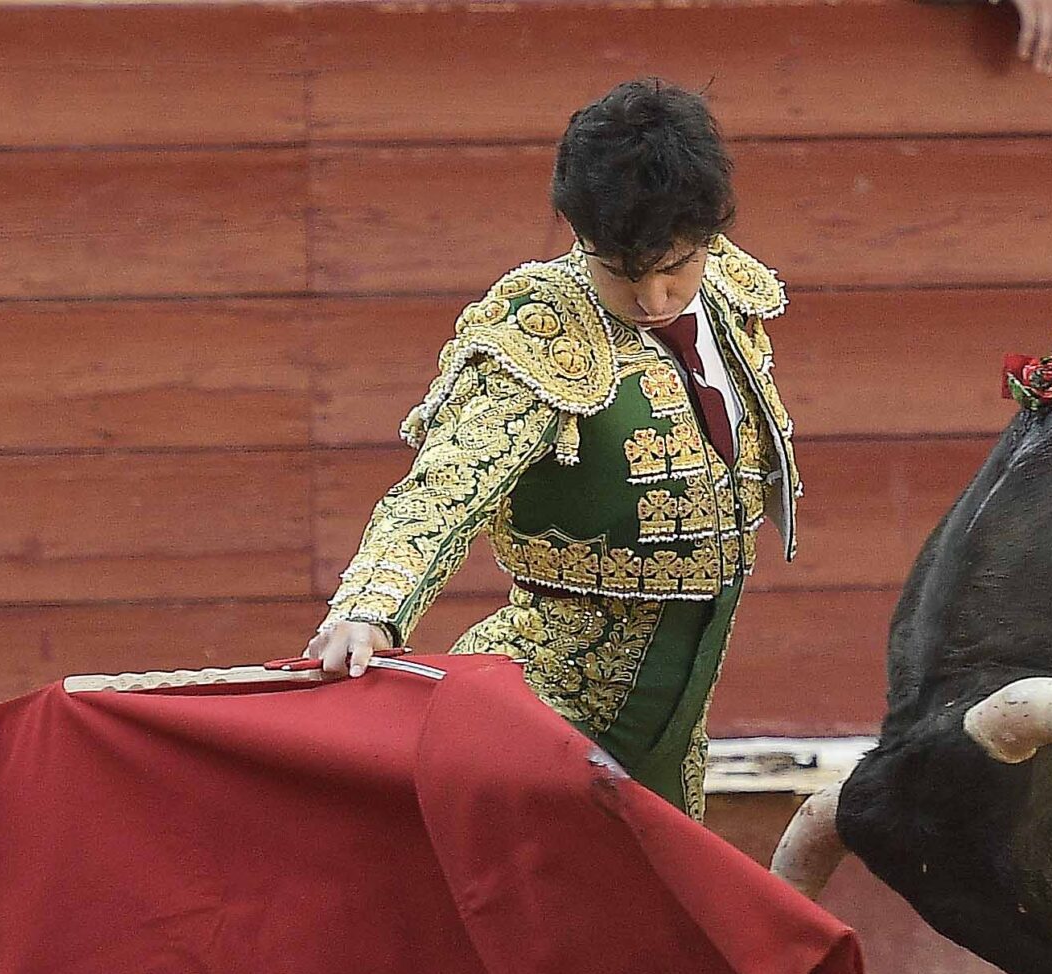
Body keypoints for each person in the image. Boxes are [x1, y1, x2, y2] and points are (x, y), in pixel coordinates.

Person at [307, 79, 798, 820]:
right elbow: (445, 487)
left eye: (675, 269)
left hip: (671, 741)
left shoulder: (730, 293)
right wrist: (372, 607)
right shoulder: (540, 326)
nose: (656, 301)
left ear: (711, 235)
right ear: (578, 231)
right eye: (622, 274)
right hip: (545, 721)